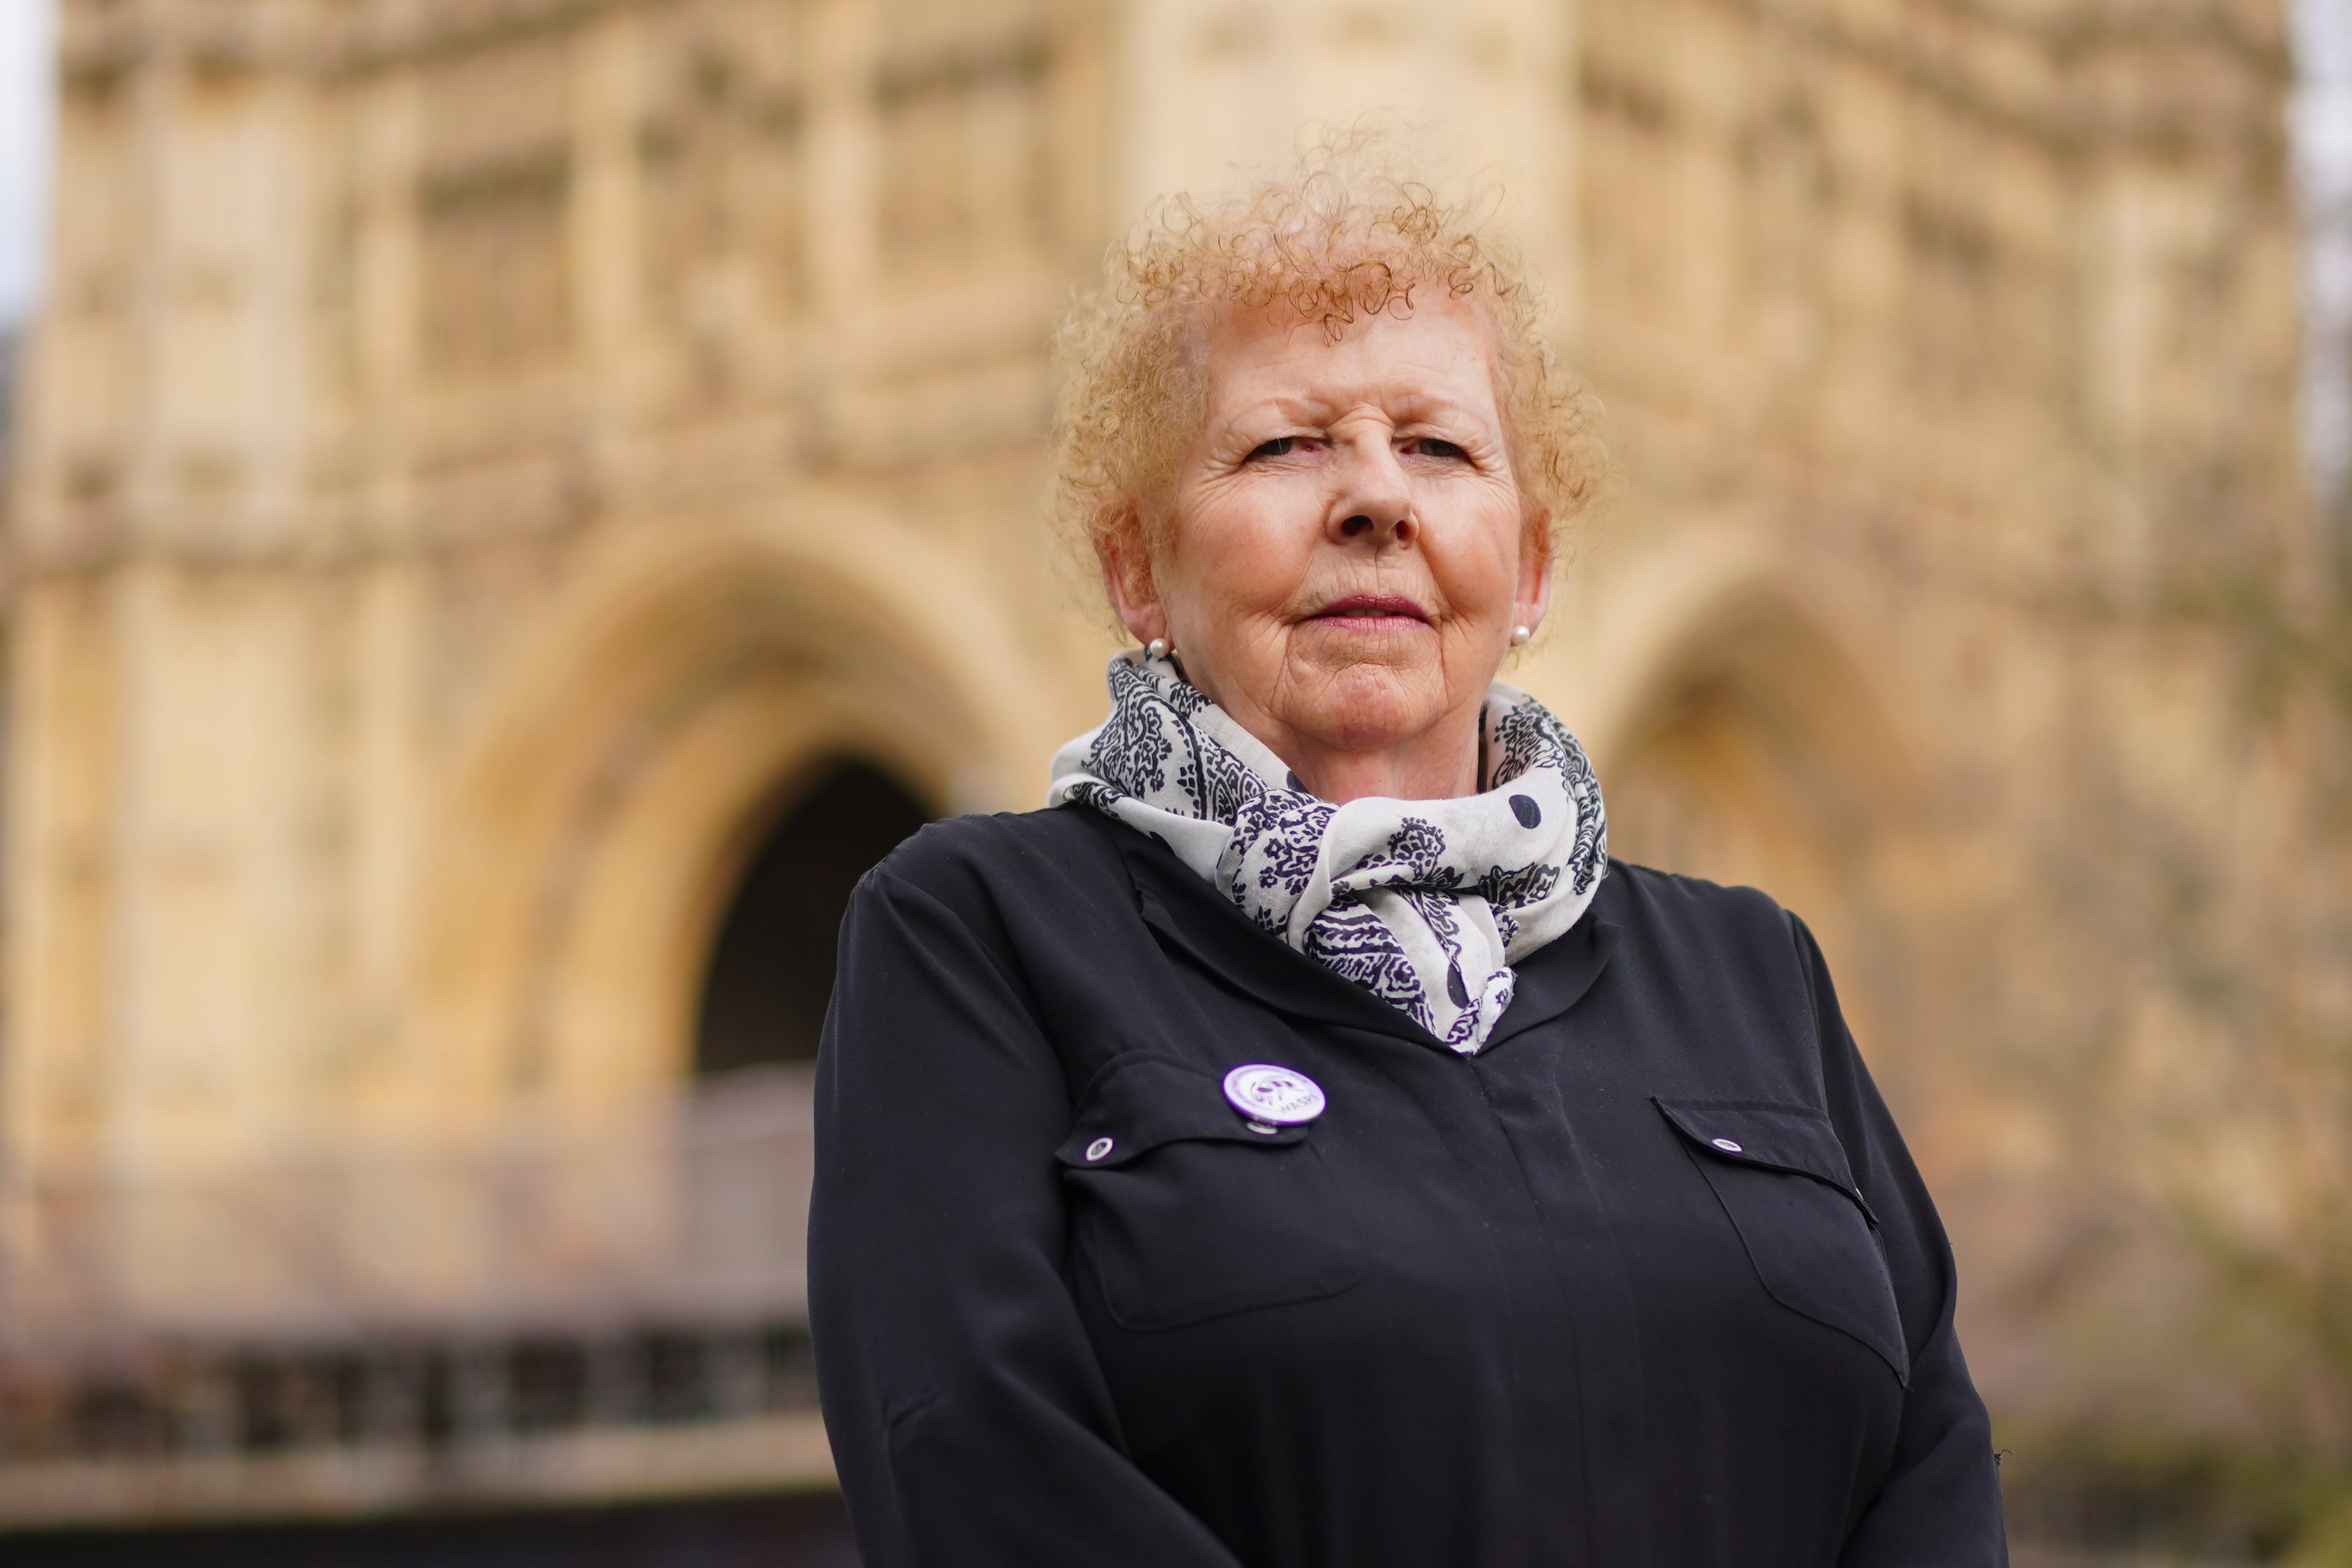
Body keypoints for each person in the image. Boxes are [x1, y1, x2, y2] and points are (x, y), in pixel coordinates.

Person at [808, 149, 2008, 1567]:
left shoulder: (1755, 971)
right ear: (1138, 564)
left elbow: (1931, 1459)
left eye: (1437, 447)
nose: (1377, 497)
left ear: (1534, 570)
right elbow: (973, 1460)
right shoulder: (983, 937)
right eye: (1285, 447)